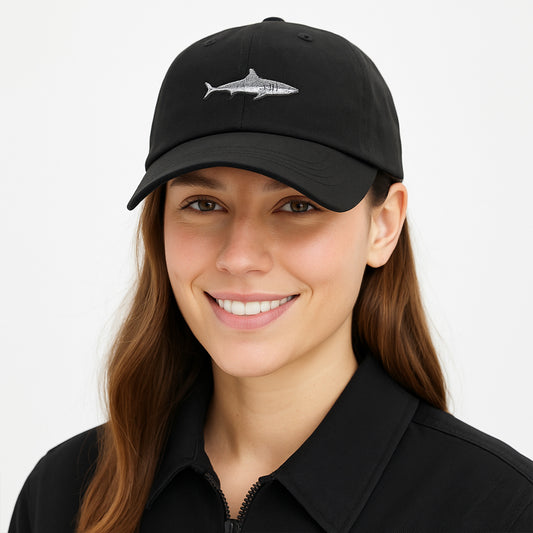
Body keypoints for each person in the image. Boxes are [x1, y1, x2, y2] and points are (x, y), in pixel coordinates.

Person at [9, 17, 533, 533]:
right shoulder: (62, 496)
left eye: (297, 206)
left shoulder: (501, 511)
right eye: (204, 203)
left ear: (384, 225)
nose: (240, 257)